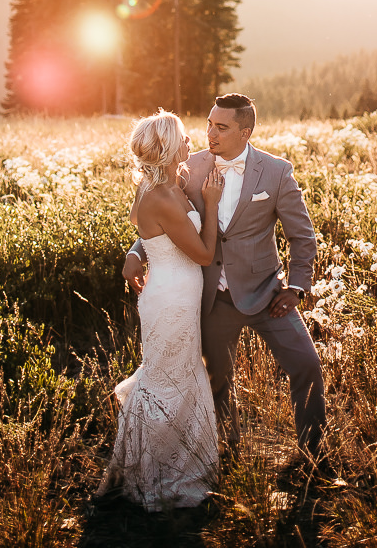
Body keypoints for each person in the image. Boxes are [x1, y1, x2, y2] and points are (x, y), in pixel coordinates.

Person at [123, 93, 326, 458]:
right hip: (210, 298)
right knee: (216, 382)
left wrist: (296, 287)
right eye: (208, 124)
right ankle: (228, 456)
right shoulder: (188, 167)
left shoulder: (277, 171)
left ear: (245, 132)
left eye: (221, 127)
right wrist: (136, 251)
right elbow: (164, 218)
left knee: (307, 365)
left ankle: (314, 455)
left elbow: (302, 235)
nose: (210, 134)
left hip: (267, 294)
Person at [98, 111, 225, 510]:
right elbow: (204, 254)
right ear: (170, 148)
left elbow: (149, 238)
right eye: (185, 138)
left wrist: (133, 252)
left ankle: (158, 465)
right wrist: (211, 201)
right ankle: (161, 476)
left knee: (172, 374)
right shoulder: (164, 196)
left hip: (171, 295)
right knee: (168, 381)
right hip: (172, 298)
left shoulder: (161, 187)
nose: (191, 142)